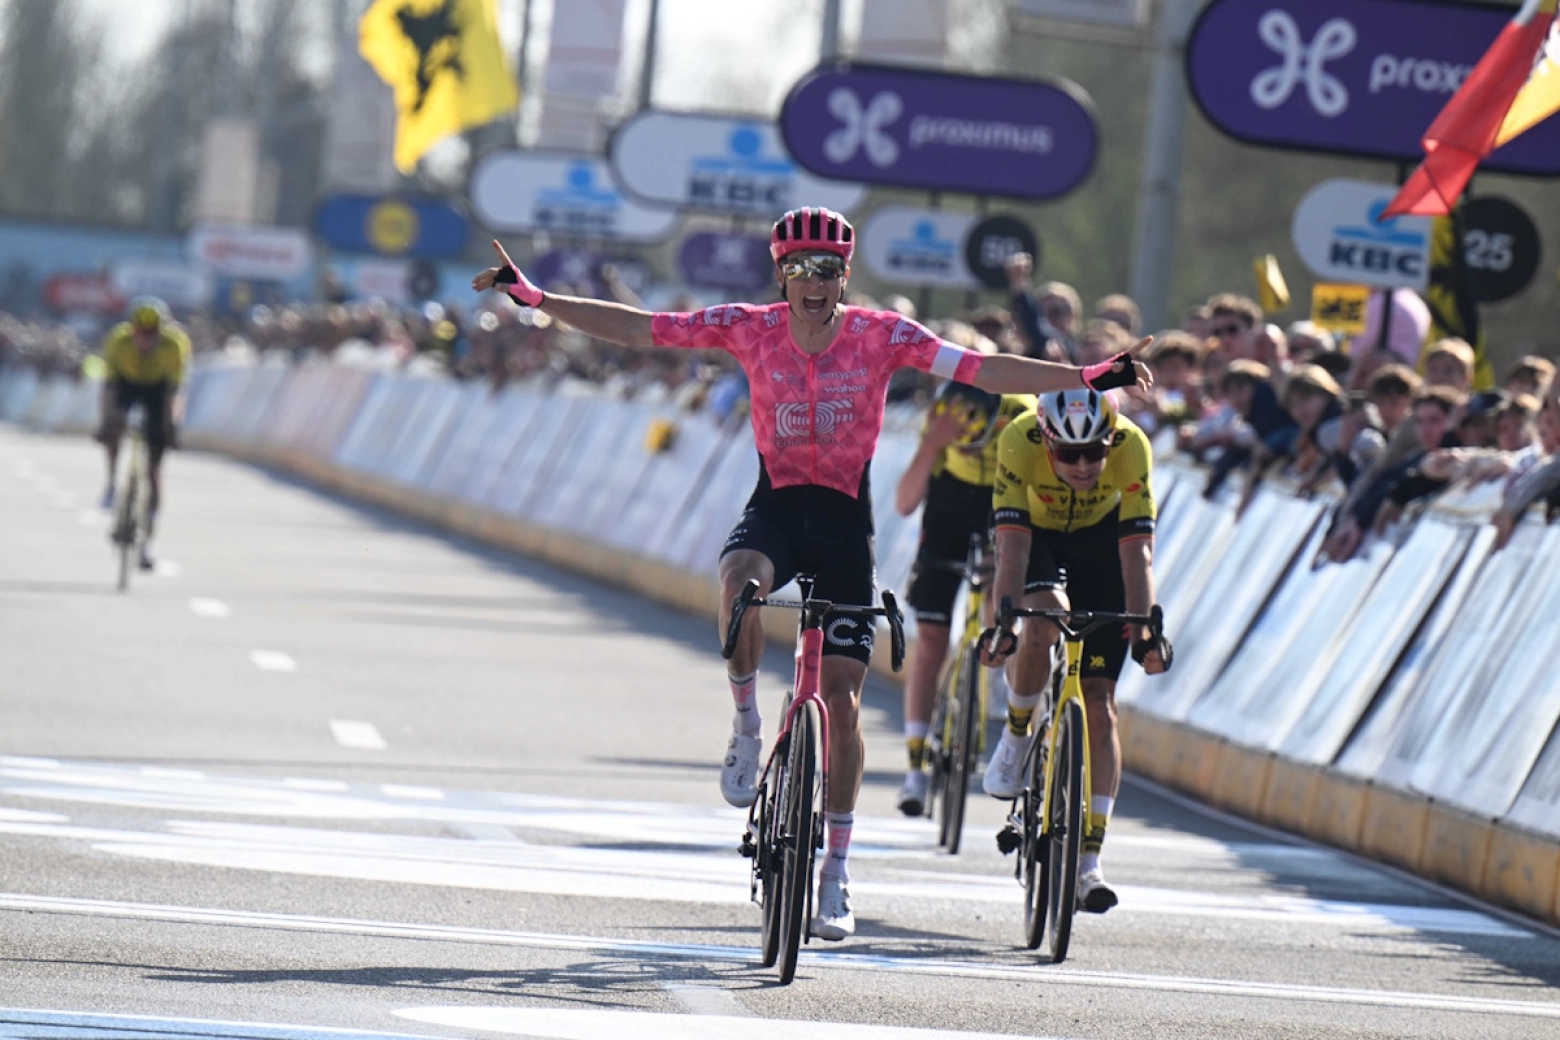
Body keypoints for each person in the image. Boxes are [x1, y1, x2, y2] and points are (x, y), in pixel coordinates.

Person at [471, 208, 1152, 941]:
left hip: (843, 528)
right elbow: (641, 327)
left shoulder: (882, 336)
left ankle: (834, 869)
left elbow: (985, 371)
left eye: (828, 271)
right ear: (781, 276)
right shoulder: (747, 325)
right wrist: (536, 298)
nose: (815, 285)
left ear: (845, 278)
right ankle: (744, 725)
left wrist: (1082, 376)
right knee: (738, 577)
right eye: (801, 271)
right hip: (776, 508)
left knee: (844, 702)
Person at [981, 388, 1170, 913]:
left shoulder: (1134, 446)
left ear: (1112, 439)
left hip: (1103, 544)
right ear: (1046, 441)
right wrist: (1006, 622)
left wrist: (1146, 630)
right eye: (1069, 454)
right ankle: (1017, 736)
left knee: (1100, 701)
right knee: (1042, 622)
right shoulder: (1017, 440)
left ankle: (1090, 860)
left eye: (1094, 452)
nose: (1084, 465)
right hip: (1036, 536)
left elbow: (1138, 554)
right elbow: (1012, 550)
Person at [893, 379, 1034, 816]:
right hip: (949, 508)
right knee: (931, 643)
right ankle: (915, 767)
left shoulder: (1021, 414)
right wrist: (934, 444)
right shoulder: (943, 413)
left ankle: (993, 674)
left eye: (975, 442)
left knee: (1003, 594)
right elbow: (904, 503)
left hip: (1003, 501)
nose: (968, 448)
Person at [95, 297, 191, 570]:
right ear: (132, 329)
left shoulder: (175, 345)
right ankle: (112, 482)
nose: (146, 341)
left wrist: (172, 425)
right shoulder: (118, 341)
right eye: (141, 334)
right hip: (126, 384)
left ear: (162, 331)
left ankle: (148, 542)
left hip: (157, 390)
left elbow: (175, 392)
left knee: (154, 470)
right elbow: (109, 386)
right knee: (114, 425)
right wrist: (107, 419)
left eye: (153, 335)